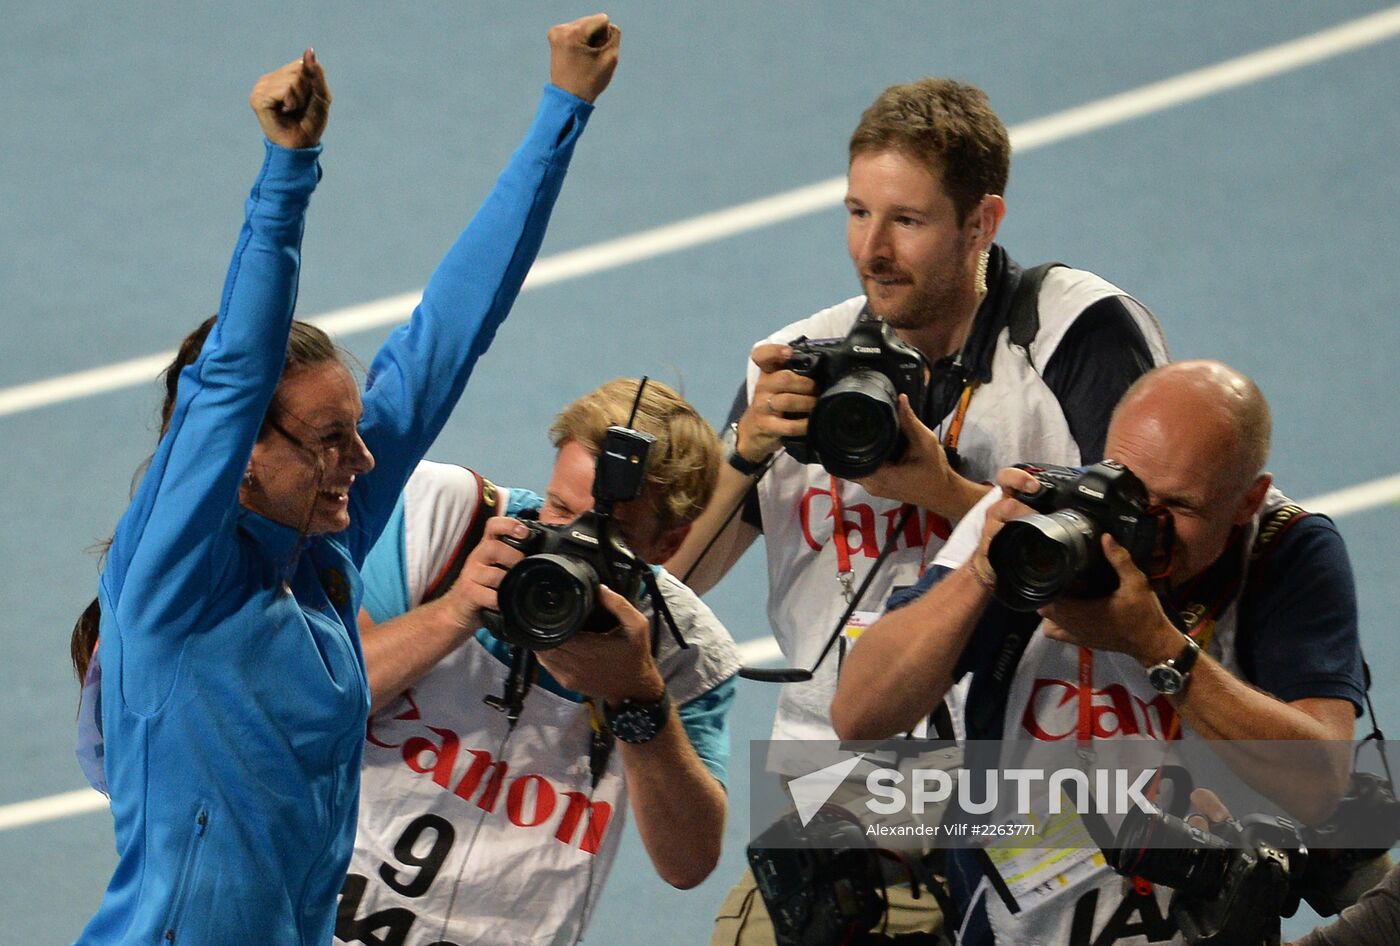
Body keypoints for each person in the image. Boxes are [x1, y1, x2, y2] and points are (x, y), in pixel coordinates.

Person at [70, 19, 619, 945]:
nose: (361, 464)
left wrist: (563, 108)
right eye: (329, 441)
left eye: (356, 434)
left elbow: (453, 329)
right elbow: (237, 370)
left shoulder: (320, 550)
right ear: (239, 450)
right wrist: (287, 173)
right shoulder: (173, 576)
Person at [671, 77, 1168, 944]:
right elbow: (679, 583)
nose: (873, 249)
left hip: (1028, 793)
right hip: (833, 795)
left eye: (907, 220)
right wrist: (745, 453)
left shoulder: (1076, 333)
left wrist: (943, 491)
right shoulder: (799, 361)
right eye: (857, 213)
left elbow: (1153, 561)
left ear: (983, 222)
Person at [832, 360, 1365, 946]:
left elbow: (1321, 781)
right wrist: (983, 571)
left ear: (1247, 499)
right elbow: (860, 715)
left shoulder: (1283, 549)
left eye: (1180, 508)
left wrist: (1155, 645)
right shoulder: (1036, 517)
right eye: (1129, 489)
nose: (1145, 527)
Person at [335, 378, 739, 946]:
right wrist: (454, 613)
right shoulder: (447, 520)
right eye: (559, 508)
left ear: (669, 545)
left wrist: (637, 697)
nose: (572, 541)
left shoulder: (686, 652)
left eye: (611, 535)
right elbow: (313, 708)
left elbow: (687, 864)